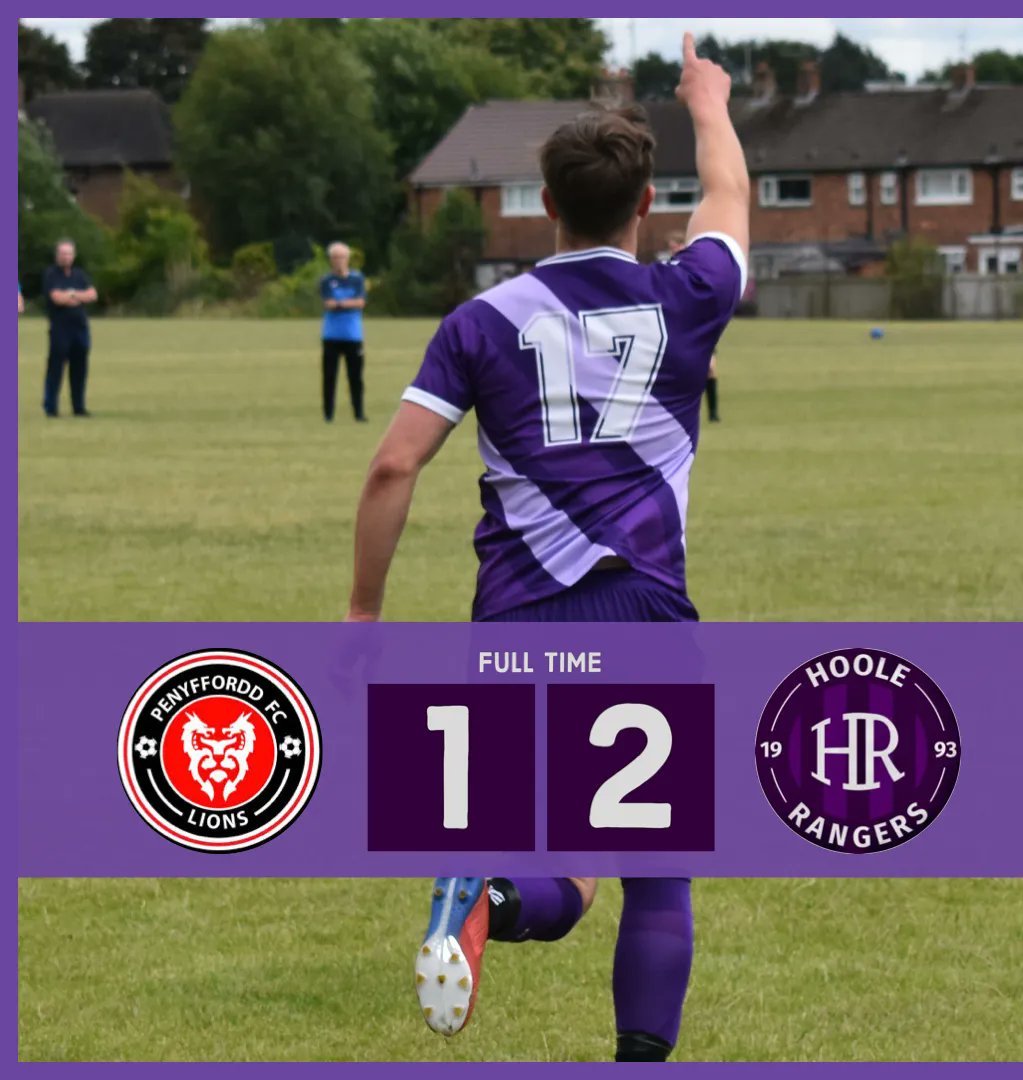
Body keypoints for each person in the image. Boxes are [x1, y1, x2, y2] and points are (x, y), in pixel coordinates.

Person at [347, 33, 749, 1063]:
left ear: (545, 202)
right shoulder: (686, 295)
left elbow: (393, 467)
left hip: (516, 624)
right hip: (648, 618)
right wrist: (707, 101)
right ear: (643, 202)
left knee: (562, 869)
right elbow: (733, 200)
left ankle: (483, 892)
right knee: (654, 873)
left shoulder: (482, 319)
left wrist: (361, 617)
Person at [668, 230, 720, 422]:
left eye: (677, 247)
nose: (674, 251)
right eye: (671, 248)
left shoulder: (694, 270)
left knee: (710, 369)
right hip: (678, 329)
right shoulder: (667, 271)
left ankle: (714, 413)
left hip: (700, 327)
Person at [42, 240, 97, 418]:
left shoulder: (79, 274)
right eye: (63, 253)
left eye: (69, 253)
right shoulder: (51, 275)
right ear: (57, 255)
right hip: (60, 329)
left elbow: (92, 295)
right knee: (56, 368)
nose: (66, 256)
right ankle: (51, 407)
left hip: (80, 328)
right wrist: (76, 295)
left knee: (80, 369)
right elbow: (57, 298)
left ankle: (79, 407)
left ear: (74, 255)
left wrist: (72, 294)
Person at [319, 243, 367, 422]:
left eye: (342, 257)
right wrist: (348, 303)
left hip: (353, 336)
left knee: (356, 377)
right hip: (331, 335)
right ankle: (328, 414)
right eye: (335, 258)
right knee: (329, 377)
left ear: (347, 259)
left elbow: (360, 303)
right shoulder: (326, 281)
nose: (339, 261)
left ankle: (359, 413)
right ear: (331, 260)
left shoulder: (357, 279)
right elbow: (328, 304)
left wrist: (339, 304)